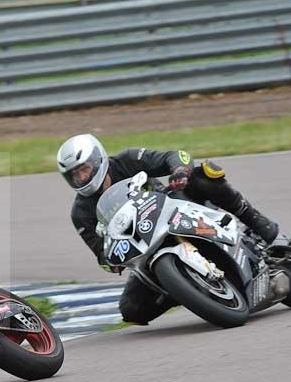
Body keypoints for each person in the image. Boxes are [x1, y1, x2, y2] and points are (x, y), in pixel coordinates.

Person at [57, 133, 279, 325]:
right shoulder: (81, 213)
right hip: (143, 248)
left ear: (98, 160)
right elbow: (101, 254)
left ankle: (256, 222)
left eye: (84, 170)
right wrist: (112, 261)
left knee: (202, 175)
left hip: (173, 210)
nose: (81, 178)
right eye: (74, 175)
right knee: (131, 310)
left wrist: (180, 171)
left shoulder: (127, 160)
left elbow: (176, 156)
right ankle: (184, 288)